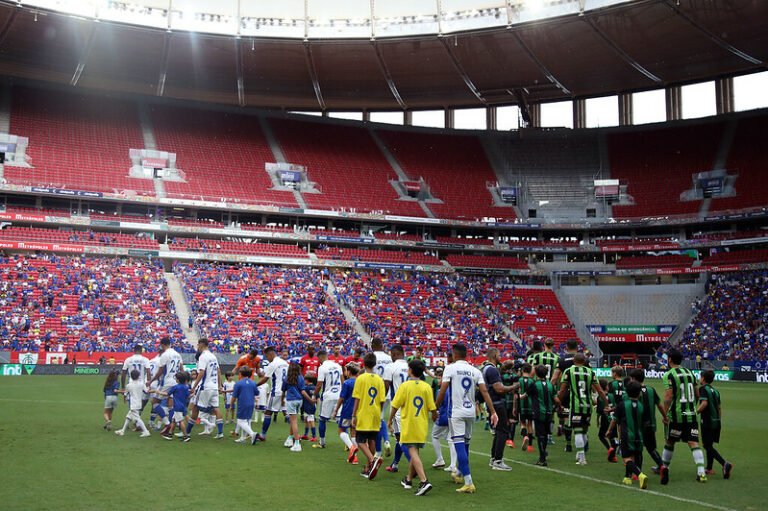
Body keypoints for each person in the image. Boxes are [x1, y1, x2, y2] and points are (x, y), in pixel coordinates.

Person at [436, 343, 499, 494]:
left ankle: (468, 482)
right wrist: (493, 411)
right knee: (465, 445)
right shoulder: (474, 370)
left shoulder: (450, 368)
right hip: (471, 412)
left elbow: (443, 389)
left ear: (454, 354)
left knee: (459, 445)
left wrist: (435, 407)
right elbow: (484, 391)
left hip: (456, 412)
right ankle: (458, 472)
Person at [389, 359, 438, 496]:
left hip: (409, 423)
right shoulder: (426, 387)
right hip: (422, 424)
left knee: (412, 451)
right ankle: (408, 479)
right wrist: (434, 415)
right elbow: (432, 407)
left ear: (410, 370)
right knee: (415, 451)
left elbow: (395, 405)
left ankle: (424, 481)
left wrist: (390, 420)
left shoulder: (405, 386)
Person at [659, 348, 707, 484]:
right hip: (690, 414)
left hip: (676, 415)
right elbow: (697, 394)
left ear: (669, 360)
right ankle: (701, 472)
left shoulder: (669, 374)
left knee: (670, 441)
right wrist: (691, 408)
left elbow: (668, 397)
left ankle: (664, 467)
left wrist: (665, 414)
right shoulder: (690, 373)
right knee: (694, 442)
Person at [557, 353, 608, 465]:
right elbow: (599, 391)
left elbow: (562, 390)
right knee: (584, 431)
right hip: (588, 407)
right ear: (584, 361)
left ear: (574, 360)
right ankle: (580, 454)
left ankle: (582, 457)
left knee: (578, 432)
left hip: (576, 406)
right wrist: (606, 403)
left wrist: (556, 401)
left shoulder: (569, 371)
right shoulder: (590, 372)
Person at [352, 353, 387, 480]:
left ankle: (372, 460)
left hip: (364, 412)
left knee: (360, 440)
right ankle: (368, 468)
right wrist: (379, 412)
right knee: (371, 440)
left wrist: (353, 414)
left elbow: (357, 398)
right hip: (376, 412)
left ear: (364, 363)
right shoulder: (379, 380)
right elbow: (382, 400)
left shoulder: (360, 378)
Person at [609, 380, 649, 489]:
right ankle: (627, 477)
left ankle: (640, 474)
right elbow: (646, 422)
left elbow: (614, 420)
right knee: (634, 455)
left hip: (626, 435)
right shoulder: (641, 406)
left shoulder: (622, 405)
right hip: (639, 435)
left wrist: (609, 431)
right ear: (639, 393)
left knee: (626, 458)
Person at [481, 348, 516, 471]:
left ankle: (493, 458)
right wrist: (515, 386)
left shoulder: (485, 368)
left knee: (498, 430)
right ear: (495, 355)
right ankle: (498, 460)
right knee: (503, 430)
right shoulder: (492, 369)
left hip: (491, 402)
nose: (500, 356)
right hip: (497, 402)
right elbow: (499, 389)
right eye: (499, 354)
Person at [697, 369, 734, 479]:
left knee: (706, 445)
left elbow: (704, 403)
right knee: (709, 445)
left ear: (703, 378)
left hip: (707, 421)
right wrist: (718, 420)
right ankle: (709, 468)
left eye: (700, 377)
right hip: (716, 421)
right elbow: (719, 408)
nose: (699, 379)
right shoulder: (715, 391)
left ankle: (724, 464)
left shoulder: (703, 389)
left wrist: (696, 412)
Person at [520, 364, 559, 466]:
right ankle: (543, 453)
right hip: (549, 413)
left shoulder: (534, 384)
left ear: (536, 373)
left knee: (540, 435)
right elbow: (556, 399)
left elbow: (524, 396)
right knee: (545, 435)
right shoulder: (550, 385)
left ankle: (542, 459)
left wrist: (517, 396)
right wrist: (558, 406)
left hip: (539, 413)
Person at [629, 369, 666, 472]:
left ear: (634, 379)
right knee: (651, 448)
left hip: (639, 425)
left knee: (638, 449)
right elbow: (659, 405)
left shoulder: (634, 390)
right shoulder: (651, 389)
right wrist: (665, 417)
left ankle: (638, 472)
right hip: (651, 424)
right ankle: (662, 466)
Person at [187, 338, 225, 439]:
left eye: (198, 345)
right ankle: (220, 432)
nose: (197, 347)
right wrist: (220, 385)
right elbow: (218, 371)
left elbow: (202, 372)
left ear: (201, 345)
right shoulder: (213, 356)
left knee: (195, 408)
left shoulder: (203, 357)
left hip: (205, 387)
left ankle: (187, 432)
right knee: (216, 409)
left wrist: (194, 387)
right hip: (214, 387)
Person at [384, 344, 411, 473]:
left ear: (395, 354)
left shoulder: (391, 367)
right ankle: (395, 464)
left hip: (398, 406)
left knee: (402, 439)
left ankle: (414, 465)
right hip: (411, 405)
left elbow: (386, 386)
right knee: (399, 437)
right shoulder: (410, 366)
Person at [254, 346, 289, 441]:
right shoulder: (285, 363)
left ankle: (263, 435)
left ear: (270, 354)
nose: (267, 359)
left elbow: (265, 379)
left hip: (276, 392)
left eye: (267, 356)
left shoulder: (273, 364)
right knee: (289, 414)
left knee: (268, 412)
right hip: (286, 391)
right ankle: (294, 435)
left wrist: (254, 385)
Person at [148, 337, 183, 430]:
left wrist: (151, 381)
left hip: (167, 381)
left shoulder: (165, 354)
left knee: (155, 402)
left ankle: (167, 423)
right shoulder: (177, 354)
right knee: (171, 404)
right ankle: (174, 424)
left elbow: (160, 371)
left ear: (162, 345)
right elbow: (182, 369)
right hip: (176, 381)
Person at [551, 339, 579, 451]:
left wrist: (551, 389)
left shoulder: (562, 359)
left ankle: (568, 443)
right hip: (579, 392)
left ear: (566, 347)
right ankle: (583, 439)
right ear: (577, 347)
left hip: (565, 390)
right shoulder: (582, 359)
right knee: (579, 417)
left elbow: (554, 378)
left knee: (565, 413)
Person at [314, 349, 343, 449]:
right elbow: (343, 381)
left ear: (321, 357)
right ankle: (348, 443)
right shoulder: (338, 366)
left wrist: (314, 395)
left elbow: (319, 384)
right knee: (340, 420)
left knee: (322, 419)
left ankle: (322, 442)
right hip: (339, 395)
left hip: (327, 396)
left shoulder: (322, 368)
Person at [283, 361, 314, 452]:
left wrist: (281, 401)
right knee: (293, 420)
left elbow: (283, 390)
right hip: (299, 400)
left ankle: (296, 443)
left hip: (291, 400)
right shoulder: (301, 378)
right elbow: (303, 391)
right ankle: (290, 438)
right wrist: (310, 400)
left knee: (293, 421)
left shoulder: (286, 378)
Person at [333, 362, 360, 464]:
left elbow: (342, 398)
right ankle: (355, 458)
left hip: (347, 410)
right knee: (353, 433)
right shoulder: (359, 382)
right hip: (357, 411)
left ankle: (351, 447)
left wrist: (336, 409)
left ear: (348, 371)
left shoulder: (347, 383)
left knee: (341, 431)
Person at [371, 338, 393, 458]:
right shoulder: (388, 358)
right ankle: (385, 442)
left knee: (377, 421)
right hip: (388, 391)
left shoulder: (371, 356)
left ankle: (379, 450)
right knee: (380, 418)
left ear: (373, 345)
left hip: (375, 392)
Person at [114, 369, 151, 437]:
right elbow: (146, 391)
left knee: (137, 418)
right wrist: (149, 387)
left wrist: (120, 393)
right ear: (138, 376)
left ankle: (146, 431)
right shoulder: (141, 384)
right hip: (139, 402)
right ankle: (122, 431)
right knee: (128, 417)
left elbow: (125, 394)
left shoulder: (129, 385)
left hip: (133, 404)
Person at [231, 366, 260, 445]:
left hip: (242, 404)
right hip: (251, 403)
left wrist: (231, 404)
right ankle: (242, 437)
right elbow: (257, 393)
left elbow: (234, 396)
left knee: (240, 421)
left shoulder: (238, 383)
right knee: (246, 420)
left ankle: (252, 434)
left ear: (240, 374)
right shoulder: (253, 383)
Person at [159, 371, 191, 442]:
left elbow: (167, 394)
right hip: (182, 405)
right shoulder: (186, 387)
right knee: (174, 420)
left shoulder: (175, 387)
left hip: (177, 406)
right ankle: (170, 434)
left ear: (178, 380)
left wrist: (158, 392)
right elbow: (188, 396)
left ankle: (186, 436)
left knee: (180, 421)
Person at [606, 366, 626, 463]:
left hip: (614, 408)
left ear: (615, 374)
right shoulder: (626, 383)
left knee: (612, 428)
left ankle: (615, 446)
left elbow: (609, 396)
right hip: (625, 408)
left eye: (612, 372)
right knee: (621, 428)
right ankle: (622, 447)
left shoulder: (611, 384)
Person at [515, 363, 535, 454]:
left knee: (522, 423)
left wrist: (515, 407)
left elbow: (516, 393)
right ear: (530, 371)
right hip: (531, 405)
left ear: (522, 371)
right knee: (530, 424)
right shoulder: (532, 381)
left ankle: (525, 436)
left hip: (521, 405)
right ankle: (530, 446)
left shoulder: (519, 380)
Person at [302, 372, 318, 442]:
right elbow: (317, 397)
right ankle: (305, 434)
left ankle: (314, 436)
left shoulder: (306, 388)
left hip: (308, 405)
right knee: (306, 419)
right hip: (312, 405)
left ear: (307, 380)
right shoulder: (315, 388)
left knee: (311, 420)